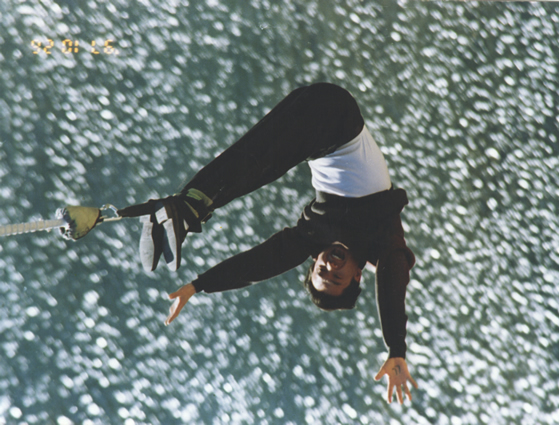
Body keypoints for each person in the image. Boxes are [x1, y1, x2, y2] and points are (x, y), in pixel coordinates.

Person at [118, 82, 418, 404]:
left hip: (315, 119)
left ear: (314, 261)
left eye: (322, 271)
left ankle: (187, 205)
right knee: (262, 164)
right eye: (337, 277)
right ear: (357, 275)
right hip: (336, 119)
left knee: (253, 157)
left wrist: (199, 285)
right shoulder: (384, 245)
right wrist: (396, 348)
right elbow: (392, 282)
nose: (330, 267)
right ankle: (190, 208)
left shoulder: (312, 237)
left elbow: (261, 264)